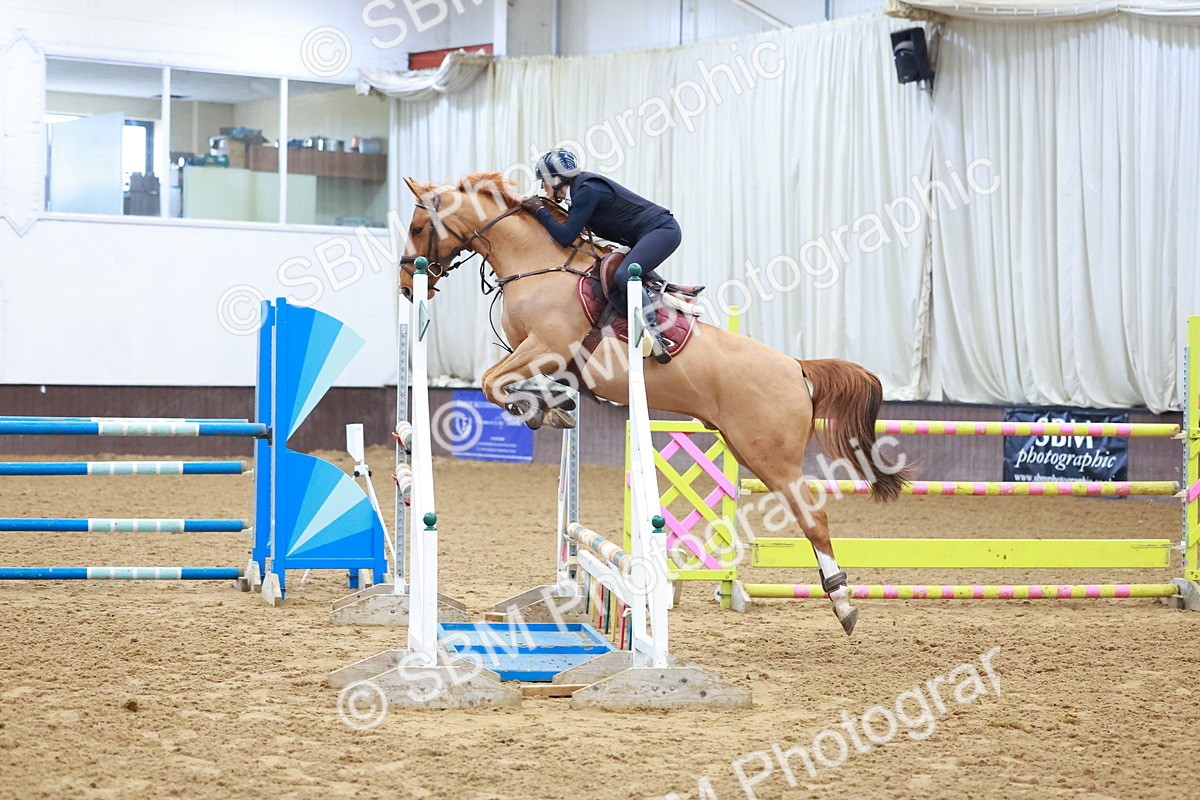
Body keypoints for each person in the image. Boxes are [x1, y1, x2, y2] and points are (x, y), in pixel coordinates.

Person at [520, 149, 680, 362]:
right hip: (646, 234)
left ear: (556, 180)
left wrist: (540, 210)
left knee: (623, 276)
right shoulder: (580, 192)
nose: (542, 187)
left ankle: (654, 334)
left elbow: (565, 237)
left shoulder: (586, 191)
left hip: (662, 230)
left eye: (544, 181)